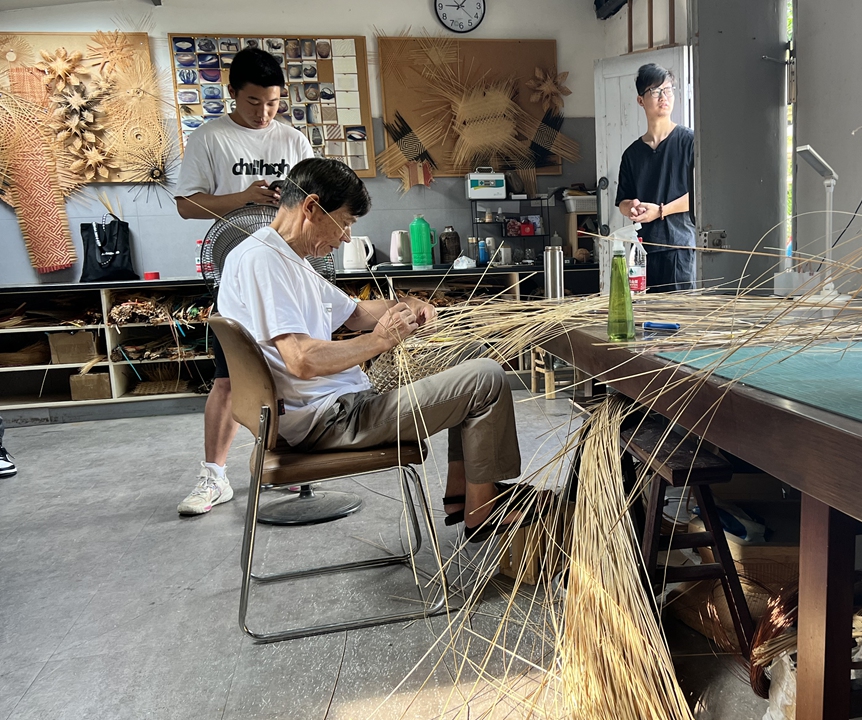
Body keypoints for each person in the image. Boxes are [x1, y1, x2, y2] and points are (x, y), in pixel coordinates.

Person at [218, 158, 544, 540]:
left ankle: (464, 493)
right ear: (311, 207)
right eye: (345, 222)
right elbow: (301, 360)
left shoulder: (289, 257)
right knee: (485, 379)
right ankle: (482, 512)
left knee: (470, 354)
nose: (344, 238)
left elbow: (354, 314)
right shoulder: (264, 261)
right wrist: (379, 341)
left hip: (344, 405)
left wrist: (408, 304)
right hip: (331, 420)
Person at [174, 47, 313, 515]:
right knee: (229, 376)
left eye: (273, 103)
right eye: (254, 102)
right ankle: (213, 477)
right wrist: (242, 198)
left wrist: (291, 205)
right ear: (231, 93)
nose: (264, 113)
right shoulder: (210, 138)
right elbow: (186, 205)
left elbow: (315, 202)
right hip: (232, 271)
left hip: (292, 270)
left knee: (293, 366)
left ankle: (284, 461)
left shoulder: (293, 140)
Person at [615, 63, 696, 293]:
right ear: (641, 100)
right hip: (641, 251)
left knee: (679, 319)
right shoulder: (632, 154)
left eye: (668, 89)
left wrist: (661, 211)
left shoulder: (689, 142)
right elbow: (622, 201)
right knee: (645, 319)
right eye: (655, 91)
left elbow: (700, 195)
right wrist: (629, 206)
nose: (664, 96)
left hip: (678, 247)